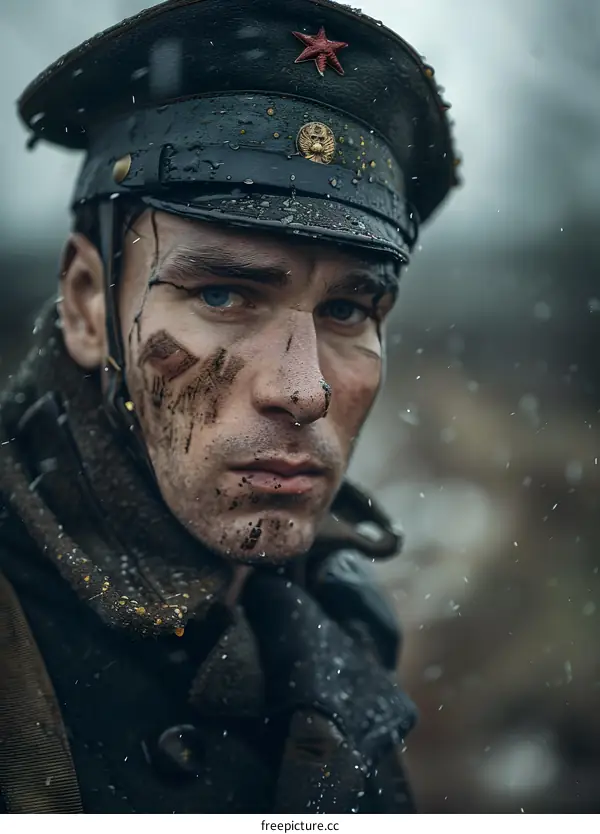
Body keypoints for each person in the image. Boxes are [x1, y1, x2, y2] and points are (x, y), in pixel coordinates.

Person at [0, 0, 458, 814]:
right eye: (222, 292)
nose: (304, 389)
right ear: (85, 305)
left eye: (348, 311)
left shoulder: (341, 620)